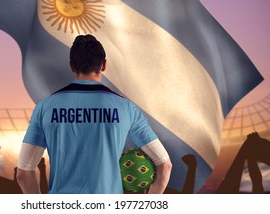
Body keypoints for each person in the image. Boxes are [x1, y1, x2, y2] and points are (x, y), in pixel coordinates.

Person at [17, 34, 172, 194]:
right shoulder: (127, 108)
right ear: (103, 65)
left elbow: (23, 172)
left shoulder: (45, 108)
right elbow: (164, 165)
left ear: (72, 66)